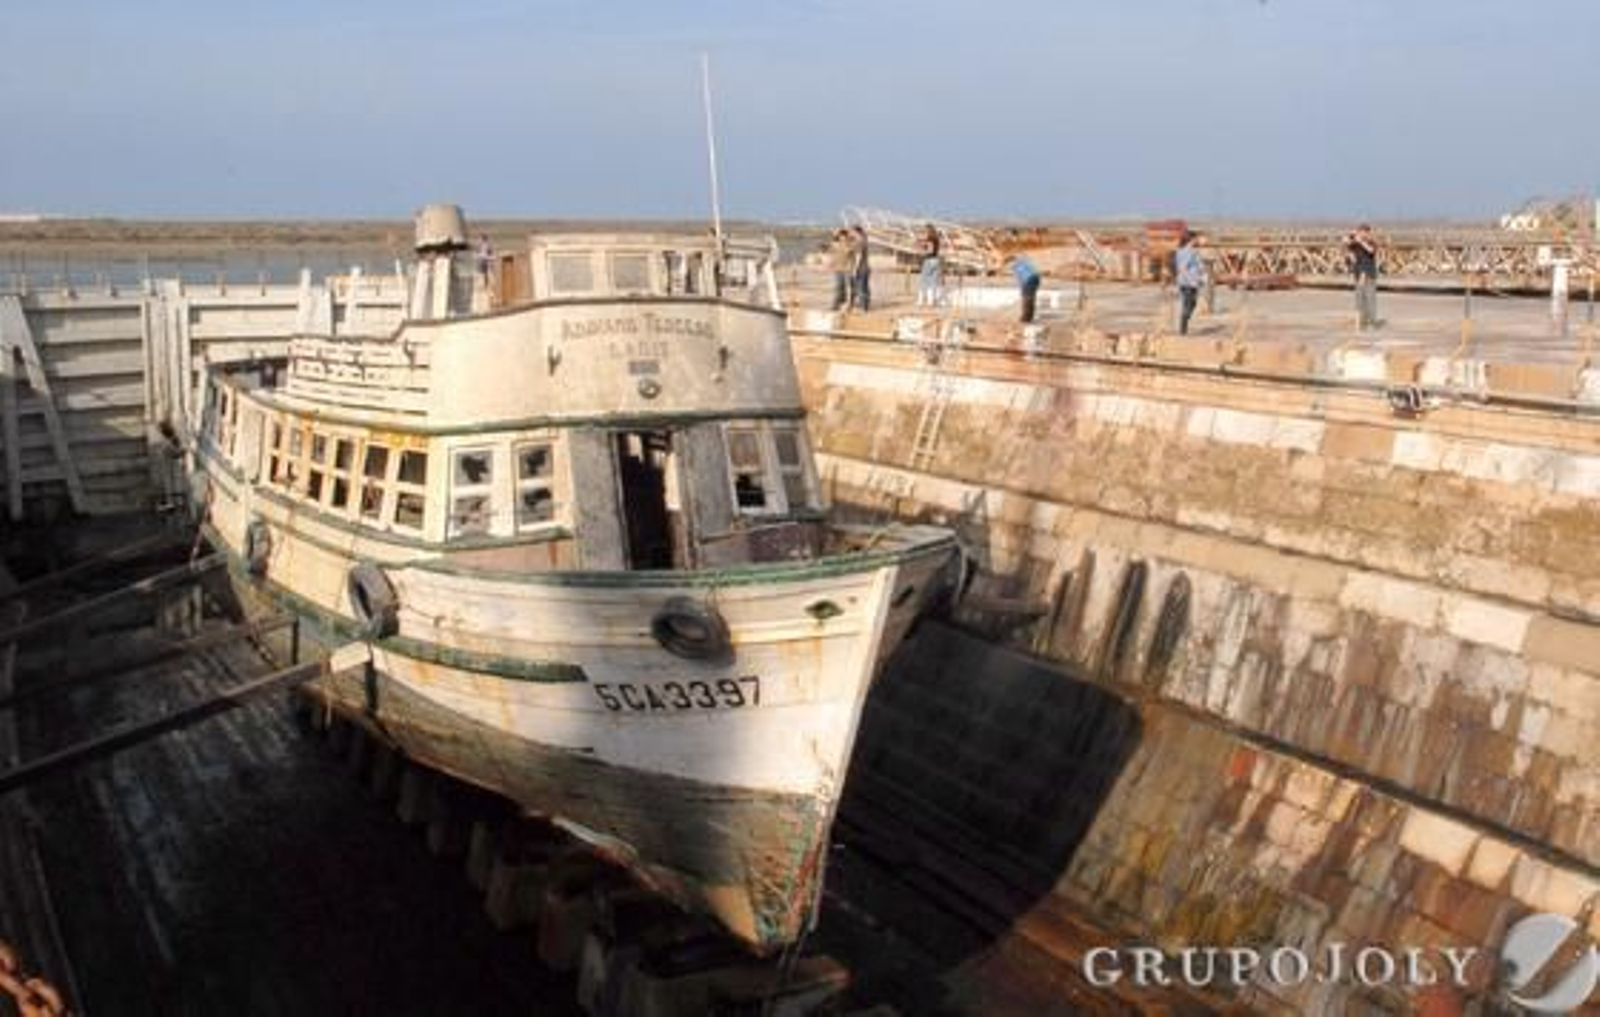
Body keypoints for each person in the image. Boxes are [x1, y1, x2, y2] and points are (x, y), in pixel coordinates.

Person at [1347, 224, 1380, 329]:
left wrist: (1362, 242)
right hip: (1358, 274)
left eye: (1364, 232)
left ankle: (1372, 322)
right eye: (1360, 232)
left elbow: (1371, 251)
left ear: (1368, 233)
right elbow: (1346, 244)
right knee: (1359, 300)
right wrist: (1351, 237)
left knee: (1370, 299)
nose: (1362, 234)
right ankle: (1362, 322)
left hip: (1369, 274)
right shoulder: (1355, 244)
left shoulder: (1371, 242)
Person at [1174, 231, 1206, 335]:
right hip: (1187, 282)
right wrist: (1190, 280)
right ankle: (1183, 328)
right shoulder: (1187, 252)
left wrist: (1200, 278)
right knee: (1188, 304)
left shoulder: (1192, 251)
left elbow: (1197, 265)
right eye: (1196, 239)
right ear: (1191, 240)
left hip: (1192, 282)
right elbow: (1183, 268)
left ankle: (1184, 323)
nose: (1198, 240)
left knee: (1192, 303)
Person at [1009, 253, 1042, 323]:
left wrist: (1022, 289)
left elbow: (1021, 278)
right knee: (1031, 298)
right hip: (1036, 278)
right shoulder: (1023, 261)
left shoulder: (1015, 266)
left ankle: (1026, 318)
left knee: (1026, 298)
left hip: (1029, 279)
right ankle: (1029, 317)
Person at [917, 224, 943, 307]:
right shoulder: (936, 239)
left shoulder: (930, 239)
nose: (925, 232)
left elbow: (930, 251)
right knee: (932, 281)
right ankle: (931, 301)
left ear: (929, 230)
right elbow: (935, 250)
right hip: (936, 260)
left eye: (925, 230)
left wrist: (922, 250)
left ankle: (921, 301)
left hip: (929, 260)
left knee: (923, 280)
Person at [826, 229, 852, 310]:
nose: (842, 238)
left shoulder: (849, 245)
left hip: (846, 269)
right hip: (837, 268)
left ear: (846, 237)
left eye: (844, 237)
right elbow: (831, 251)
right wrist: (830, 263)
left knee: (844, 287)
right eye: (841, 236)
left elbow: (849, 252)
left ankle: (843, 303)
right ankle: (836, 304)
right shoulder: (835, 244)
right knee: (838, 287)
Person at [850, 226, 872, 312]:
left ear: (856, 232)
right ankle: (865, 306)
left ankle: (863, 307)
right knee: (865, 287)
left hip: (861, 268)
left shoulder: (859, 242)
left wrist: (855, 269)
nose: (851, 234)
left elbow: (858, 256)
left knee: (860, 287)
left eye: (852, 232)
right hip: (866, 267)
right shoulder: (864, 240)